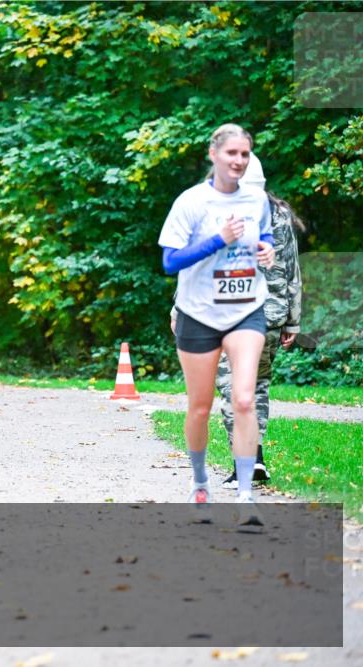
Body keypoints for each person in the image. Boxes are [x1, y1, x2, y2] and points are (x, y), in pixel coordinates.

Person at [158, 124, 275, 528]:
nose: (238, 162)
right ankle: (200, 481)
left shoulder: (257, 199)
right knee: (201, 406)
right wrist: (218, 240)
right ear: (214, 154)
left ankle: (245, 497)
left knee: (243, 398)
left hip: (246, 309)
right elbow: (170, 262)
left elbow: (268, 235)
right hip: (199, 312)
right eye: (232, 154)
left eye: (245, 154)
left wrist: (267, 250)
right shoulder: (192, 203)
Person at [171, 154, 304, 486]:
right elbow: (292, 269)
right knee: (255, 387)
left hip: (225, 313)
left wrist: (179, 307)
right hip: (270, 314)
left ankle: (248, 462)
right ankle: (255, 459)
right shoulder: (280, 213)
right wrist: (293, 319)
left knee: (234, 388)